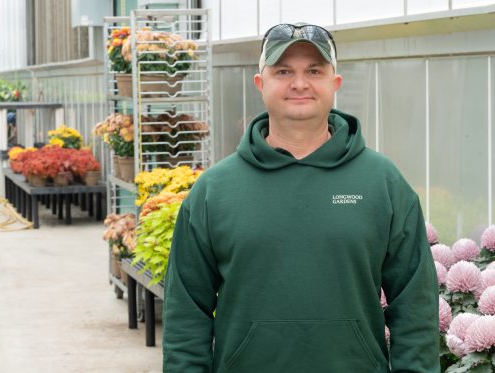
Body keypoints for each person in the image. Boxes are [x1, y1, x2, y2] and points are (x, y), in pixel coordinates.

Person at [163, 23, 440, 372]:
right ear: (260, 84)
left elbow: (416, 304)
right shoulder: (215, 190)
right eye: (283, 71)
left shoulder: (382, 182)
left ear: (334, 83)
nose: (299, 83)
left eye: (314, 70)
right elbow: (186, 314)